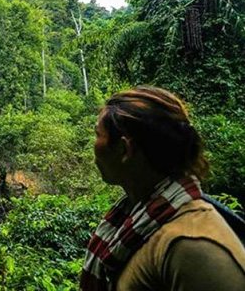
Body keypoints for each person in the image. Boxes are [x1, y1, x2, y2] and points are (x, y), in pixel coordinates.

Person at [81, 86, 245, 291]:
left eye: (98, 134)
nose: (94, 145)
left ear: (124, 150)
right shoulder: (137, 218)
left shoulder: (193, 246)